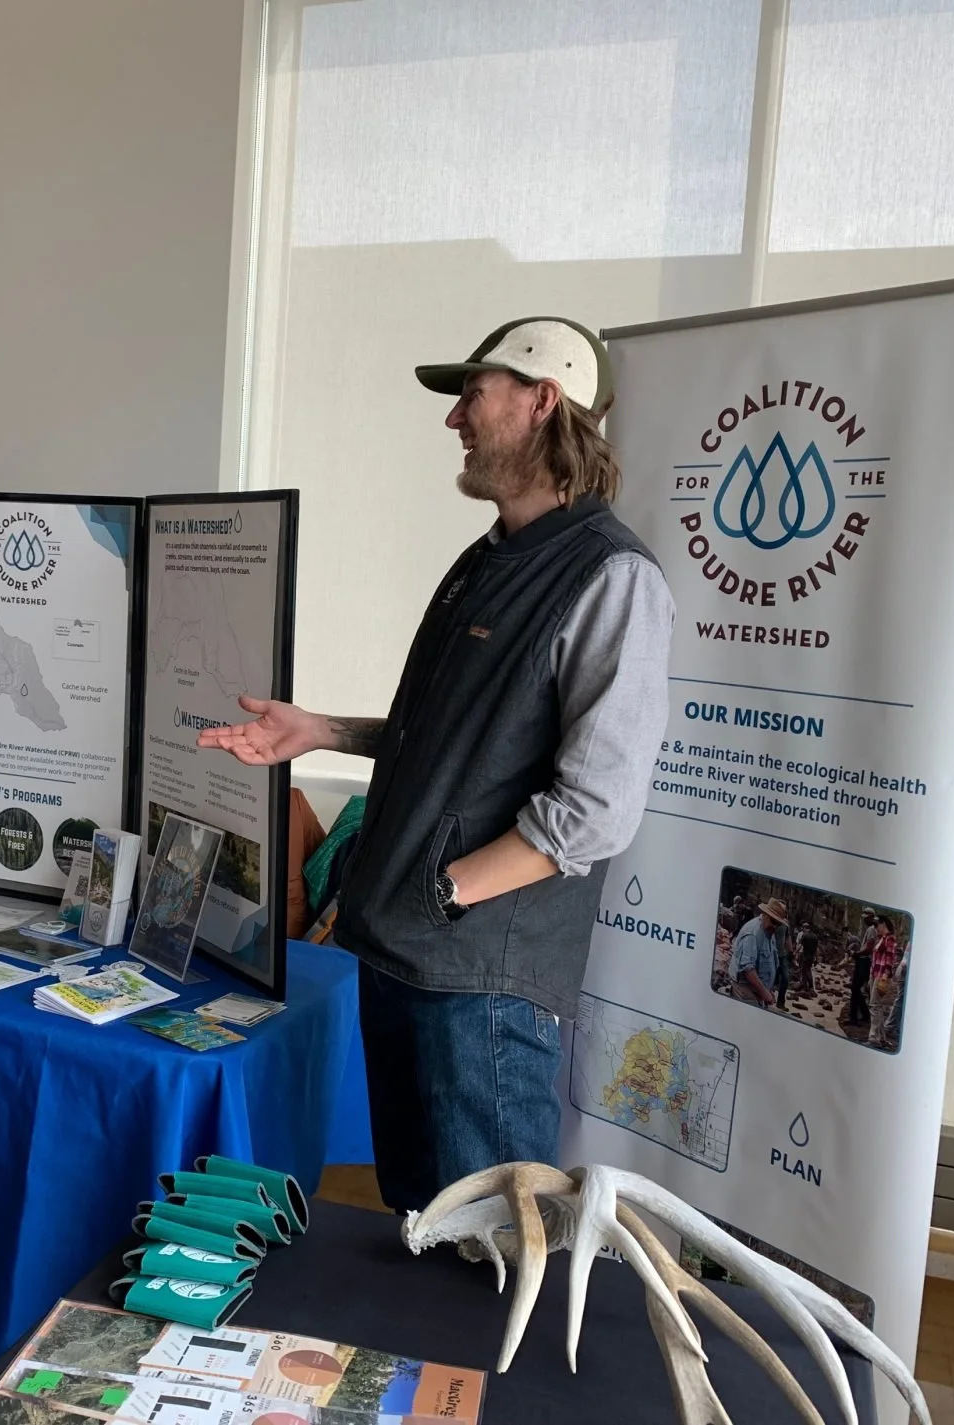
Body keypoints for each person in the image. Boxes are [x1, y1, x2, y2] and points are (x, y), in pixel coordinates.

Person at [198, 316, 673, 1209]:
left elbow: (596, 811)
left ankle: (491, 1363)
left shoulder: (614, 578)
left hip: (480, 987)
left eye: (472, 394)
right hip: (404, 956)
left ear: (542, 401)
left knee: (488, 1250)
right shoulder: (488, 559)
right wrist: (323, 730)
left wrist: (449, 890)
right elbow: (455, 730)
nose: (455, 418)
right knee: (418, 1226)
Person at [728, 899, 787, 1008]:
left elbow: (770, 961)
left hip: (757, 991)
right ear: (765, 915)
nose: (775, 927)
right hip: (745, 990)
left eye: (778, 924)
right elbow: (748, 969)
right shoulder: (752, 933)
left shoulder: (769, 931)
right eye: (773, 922)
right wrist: (765, 993)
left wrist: (769, 989)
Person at [868, 915, 905, 1051]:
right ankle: (881, 1037)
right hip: (874, 974)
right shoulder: (881, 939)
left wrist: (884, 977)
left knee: (874, 1005)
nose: (875, 928)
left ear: (883, 924)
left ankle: (874, 1038)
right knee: (877, 1005)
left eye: (877, 925)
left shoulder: (890, 938)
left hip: (881, 975)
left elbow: (889, 960)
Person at [842, 908, 879, 1030]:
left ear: (871, 917)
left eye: (865, 918)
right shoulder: (871, 929)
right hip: (864, 960)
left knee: (855, 988)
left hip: (864, 961)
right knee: (857, 989)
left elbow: (868, 948)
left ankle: (853, 1018)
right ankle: (864, 1014)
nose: (864, 920)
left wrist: (856, 954)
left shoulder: (872, 929)